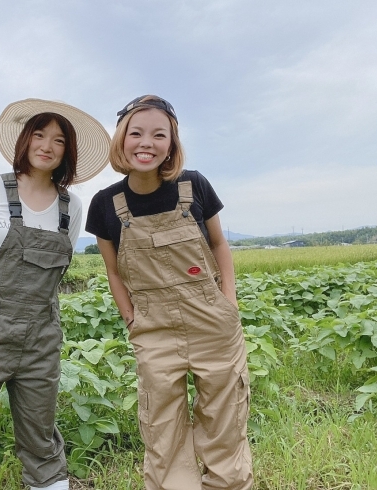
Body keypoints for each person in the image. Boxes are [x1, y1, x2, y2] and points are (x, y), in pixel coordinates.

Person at [0, 99, 110, 490]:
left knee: (40, 435)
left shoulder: (70, 206)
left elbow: (59, 270)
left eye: (58, 140)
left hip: (40, 333)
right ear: (26, 139)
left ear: (67, 151)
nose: (47, 145)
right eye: (40, 135)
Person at [85, 95, 253, 489]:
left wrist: (228, 302)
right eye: (136, 133)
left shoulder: (194, 185)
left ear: (171, 144)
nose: (147, 142)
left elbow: (219, 246)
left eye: (159, 134)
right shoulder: (106, 204)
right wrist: (130, 318)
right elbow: (113, 270)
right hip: (152, 327)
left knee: (224, 421)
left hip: (212, 321)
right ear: (121, 140)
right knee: (161, 430)